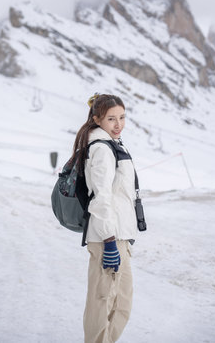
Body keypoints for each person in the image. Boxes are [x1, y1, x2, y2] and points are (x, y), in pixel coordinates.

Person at [71, 93, 138, 343]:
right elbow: (101, 198)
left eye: (122, 117)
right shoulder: (101, 148)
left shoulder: (111, 144)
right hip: (107, 237)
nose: (118, 124)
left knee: (121, 303)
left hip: (118, 235)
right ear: (97, 119)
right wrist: (110, 240)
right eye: (111, 118)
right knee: (102, 301)